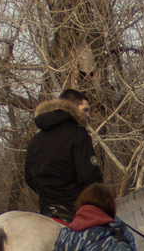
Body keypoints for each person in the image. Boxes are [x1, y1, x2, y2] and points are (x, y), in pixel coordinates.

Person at [26, 88, 104, 219]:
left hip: (46, 210)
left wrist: (49, 195)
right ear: (72, 108)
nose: (88, 115)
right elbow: (90, 178)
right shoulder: (78, 135)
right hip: (74, 211)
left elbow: (28, 178)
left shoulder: (36, 139)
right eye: (85, 110)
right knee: (116, 234)